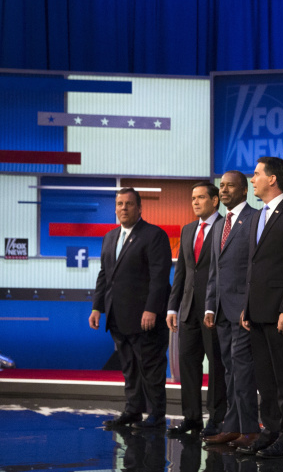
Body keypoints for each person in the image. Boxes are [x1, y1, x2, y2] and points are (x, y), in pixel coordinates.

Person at [238, 157, 283, 459]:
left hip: (280, 311)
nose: (252, 179)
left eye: (256, 174)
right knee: (264, 377)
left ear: (273, 179)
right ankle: (271, 431)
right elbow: (254, 264)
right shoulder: (256, 216)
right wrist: (246, 307)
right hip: (257, 310)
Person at [90, 187, 172, 429]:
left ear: (139, 208)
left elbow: (159, 277)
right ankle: (133, 411)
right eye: (119, 204)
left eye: (128, 204)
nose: (123, 208)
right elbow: (105, 275)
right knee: (129, 368)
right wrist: (97, 307)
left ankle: (156, 415)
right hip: (118, 317)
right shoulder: (110, 237)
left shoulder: (154, 235)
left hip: (146, 318)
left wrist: (151, 309)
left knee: (151, 368)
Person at [203, 172, 260, 448]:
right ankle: (232, 426)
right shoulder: (218, 225)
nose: (223, 190)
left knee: (243, 369)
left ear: (244, 190)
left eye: (230, 186)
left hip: (242, 311)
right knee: (228, 369)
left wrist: (249, 305)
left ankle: (250, 429)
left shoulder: (255, 219)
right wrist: (210, 306)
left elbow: (255, 269)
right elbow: (215, 270)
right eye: (221, 186)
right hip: (222, 311)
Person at [166, 182, 228, 436]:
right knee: (188, 364)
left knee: (216, 365)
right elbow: (181, 272)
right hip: (188, 309)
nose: (195, 202)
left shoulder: (227, 227)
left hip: (215, 310)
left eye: (201, 197)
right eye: (193, 197)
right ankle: (191, 418)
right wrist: (172, 307)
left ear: (215, 201)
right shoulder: (189, 229)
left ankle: (216, 418)